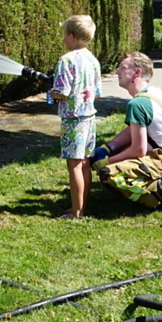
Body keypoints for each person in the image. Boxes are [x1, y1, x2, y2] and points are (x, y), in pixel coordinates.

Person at [88, 53, 162, 214]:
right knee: (119, 160)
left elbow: (138, 149)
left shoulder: (137, 103)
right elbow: (133, 131)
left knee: (109, 174)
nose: (117, 72)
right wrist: (108, 148)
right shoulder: (153, 93)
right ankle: (158, 186)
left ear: (137, 73)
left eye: (123, 68)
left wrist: (107, 161)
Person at [49, 15, 103, 219]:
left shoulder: (66, 60)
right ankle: (81, 206)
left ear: (71, 36)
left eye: (65, 35)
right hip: (89, 117)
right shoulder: (93, 60)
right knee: (85, 163)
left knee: (73, 165)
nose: (64, 39)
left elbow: (62, 92)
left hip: (73, 120)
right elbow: (97, 91)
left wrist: (52, 92)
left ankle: (76, 212)